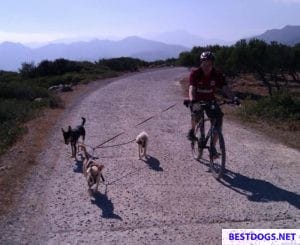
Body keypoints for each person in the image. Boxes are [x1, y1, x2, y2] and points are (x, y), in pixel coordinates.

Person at [186, 51, 238, 157]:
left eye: (209, 64)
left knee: (218, 120)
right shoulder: (195, 74)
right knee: (196, 115)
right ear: (201, 63)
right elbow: (191, 88)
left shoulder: (216, 74)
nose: (207, 66)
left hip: (211, 101)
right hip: (197, 100)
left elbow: (225, 87)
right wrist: (192, 99)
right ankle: (192, 131)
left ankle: (213, 148)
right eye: (204, 64)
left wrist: (234, 98)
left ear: (212, 64)